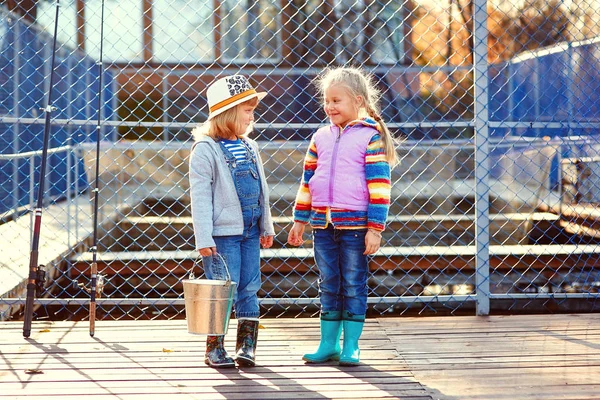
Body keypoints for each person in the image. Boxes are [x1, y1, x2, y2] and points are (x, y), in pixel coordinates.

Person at [287, 67, 397, 366]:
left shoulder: (370, 138)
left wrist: (375, 229)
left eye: (337, 100)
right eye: (327, 100)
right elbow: (307, 181)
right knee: (328, 282)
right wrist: (300, 220)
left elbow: (380, 188)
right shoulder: (320, 136)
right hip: (322, 225)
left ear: (357, 101)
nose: (330, 106)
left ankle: (351, 345)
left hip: (355, 228)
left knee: (353, 283)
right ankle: (327, 343)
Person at [189, 75, 275, 368]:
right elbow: (199, 198)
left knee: (250, 286)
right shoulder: (206, 149)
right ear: (228, 112)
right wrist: (203, 239)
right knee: (223, 288)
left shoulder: (250, 146)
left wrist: (267, 226)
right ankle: (214, 347)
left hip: (250, 231)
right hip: (222, 235)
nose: (253, 116)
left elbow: (262, 189)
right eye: (247, 110)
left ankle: (246, 346)